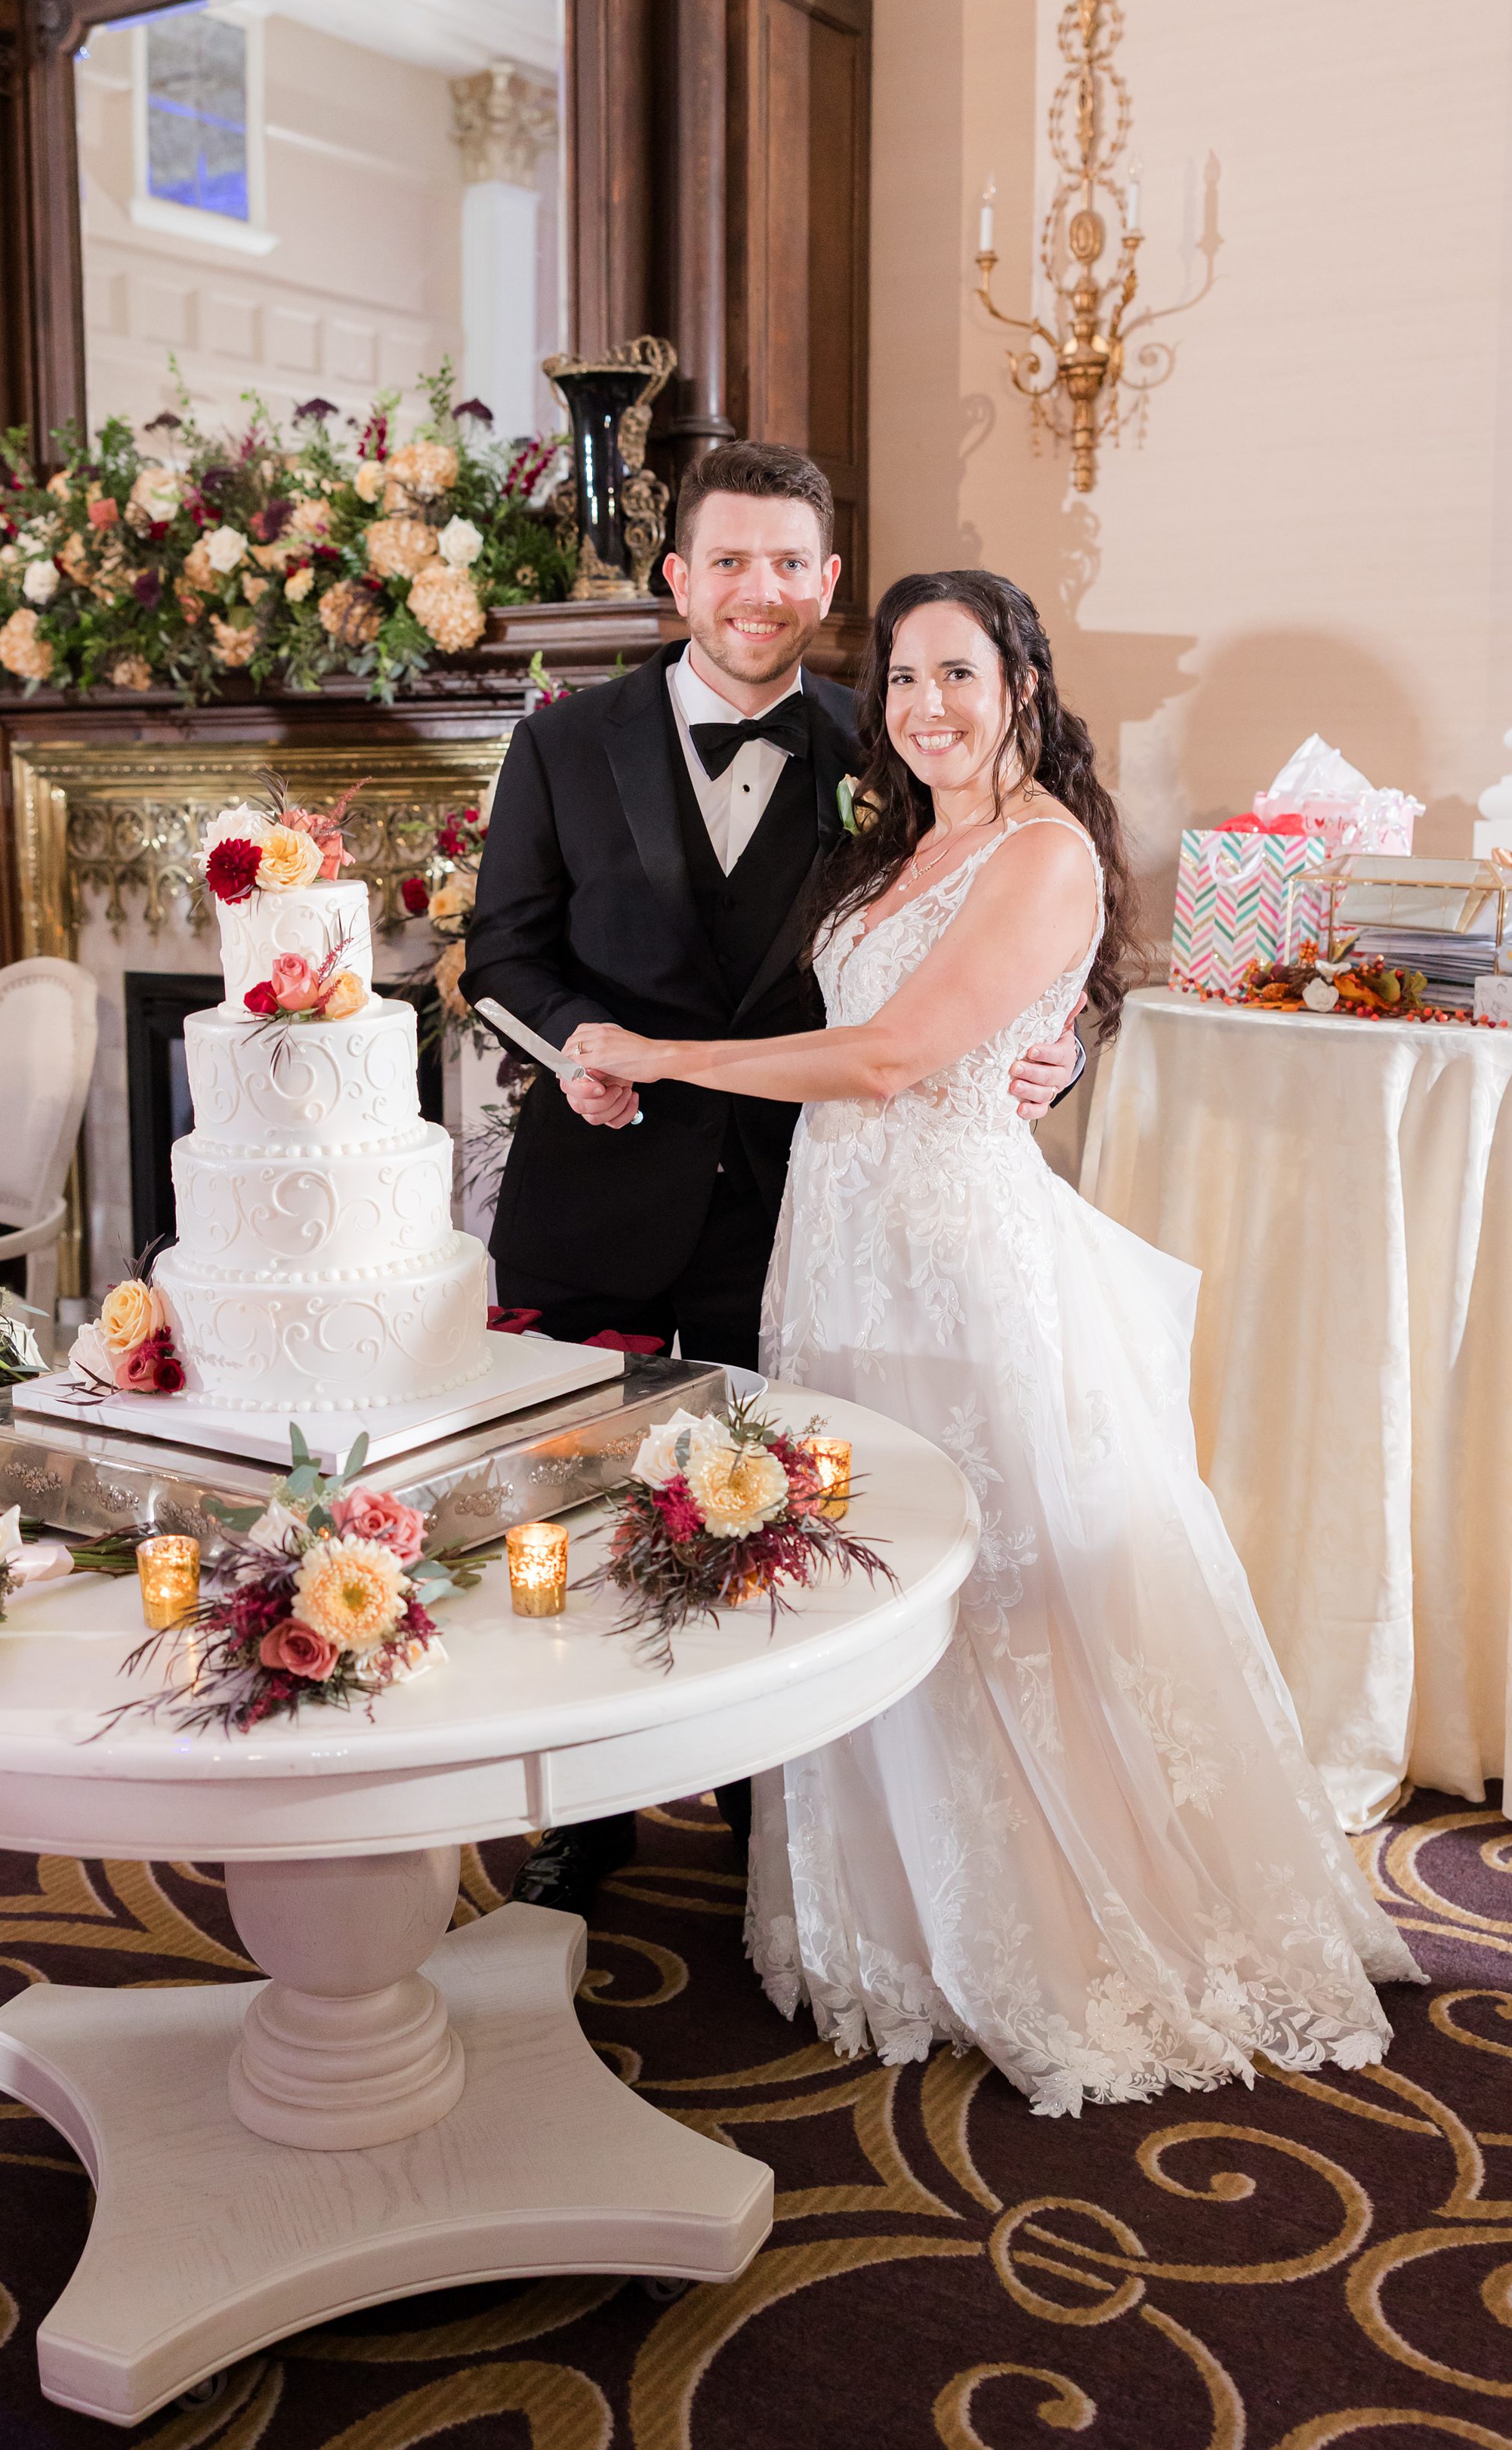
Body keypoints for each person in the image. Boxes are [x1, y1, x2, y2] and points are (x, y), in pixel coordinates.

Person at [566, 566, 1421, 2114]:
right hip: (835, 1253)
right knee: (864, 1572)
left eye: (958, 673)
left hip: (956, 1267)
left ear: (1023, 679)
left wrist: (664, 1059)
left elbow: (897, 1056)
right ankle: (886, 1911)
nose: (924, 708)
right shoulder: (900, 843)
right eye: (900, 680)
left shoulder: (1042, 849)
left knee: (1001, 1579)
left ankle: (1047, 1916)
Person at [463, 457, 1082, 1915]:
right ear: (676, 579)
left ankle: (777, 1810)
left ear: (825, 583)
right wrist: (571, 1054)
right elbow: (505, 951)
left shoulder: (896, 739)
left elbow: (994, 925)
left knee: (779, 1505)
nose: (763, 593)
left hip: (803, 1208)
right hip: (598, 1185)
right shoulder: (562, 741)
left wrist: (1054, 1042)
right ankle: (584, 1802)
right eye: (730, 562)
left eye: (794, 566)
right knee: (586, 1499)